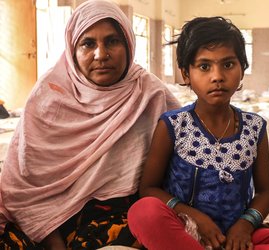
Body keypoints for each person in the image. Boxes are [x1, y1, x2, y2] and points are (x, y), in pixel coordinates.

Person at [0, 0, 180, 249]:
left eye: (113, 41)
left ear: (128, 44)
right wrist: (53, 243)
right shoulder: (48, 97)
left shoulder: (150, 94)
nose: (101, 54)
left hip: (126, 215)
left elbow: (183, 174)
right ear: (72, 50)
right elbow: (25, 188)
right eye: (88, 43)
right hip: (48, 222)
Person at [128, 16, 269, 250]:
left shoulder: (254, 127)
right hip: (185, 230)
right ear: (186, 74)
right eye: (204, 66)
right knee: (143, 211)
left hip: (235, 237)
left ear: (242, 69)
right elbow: (148, 188)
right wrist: (195, 217)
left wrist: (245, 224)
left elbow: (265, 192)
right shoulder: (174, 124)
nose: (217, 76)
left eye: (228, 64)